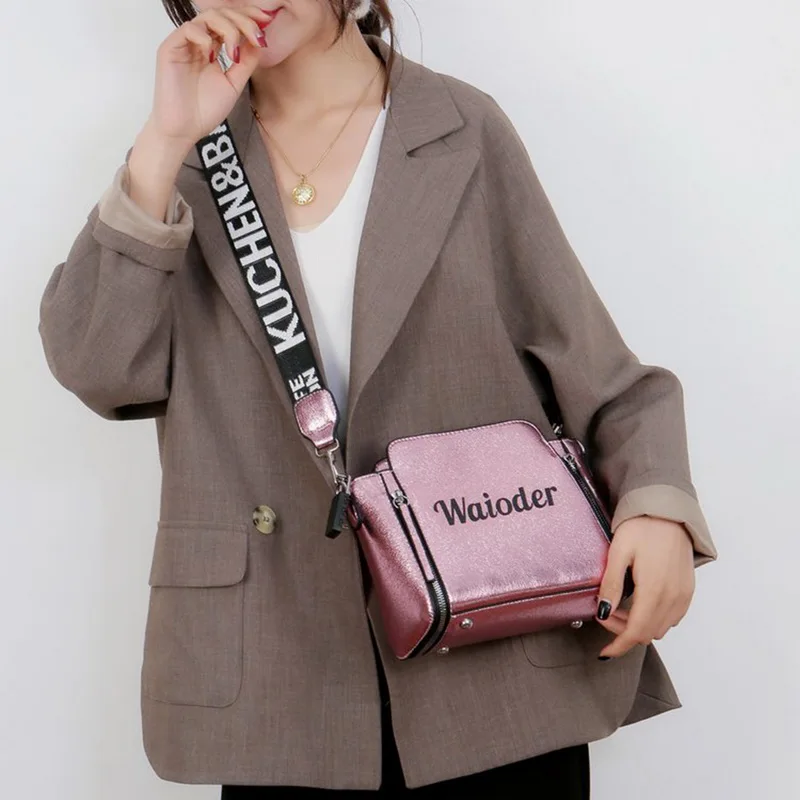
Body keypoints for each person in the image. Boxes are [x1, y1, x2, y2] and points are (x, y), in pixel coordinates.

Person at [38, 1, 719, 797]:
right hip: (277, 678)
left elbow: (601, 374)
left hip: (490, 653)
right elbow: (98, 368)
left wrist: (658, 510)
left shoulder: (461, 128)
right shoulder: (184, 160)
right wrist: (162, 144)